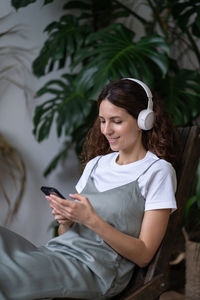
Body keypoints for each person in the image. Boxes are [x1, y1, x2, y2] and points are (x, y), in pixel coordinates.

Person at [0, 78, 178, 300]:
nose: (106, 130)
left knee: (6, 276)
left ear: (143, 120)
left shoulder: (157, 172)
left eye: (116, 121)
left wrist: (92, 219)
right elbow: (67, 235)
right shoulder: (97, 164)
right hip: (58, 254)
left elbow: (144, 254)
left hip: (95, 271)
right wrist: (66, 222)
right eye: (103, 121)